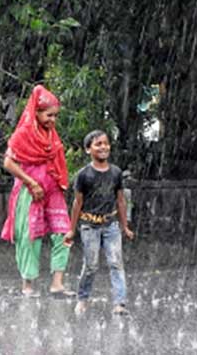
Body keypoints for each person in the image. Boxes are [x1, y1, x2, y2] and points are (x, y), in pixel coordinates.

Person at [1, 85, 74, 298]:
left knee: (64, 234)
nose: (53, 120)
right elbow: (8, 163)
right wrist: (31, 183)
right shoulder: (23, 133)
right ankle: (28, 285)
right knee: (29, 236)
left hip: (52, 191)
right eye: (49, 115)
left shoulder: (51, 134)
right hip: (29, 191)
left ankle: (57, 284)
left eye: (55, 116)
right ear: (37, 112)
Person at [64, 130, 135, 315]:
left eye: (105, 143)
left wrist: (124, 226)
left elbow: (120, 200)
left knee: (116, 263)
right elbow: (77, 203)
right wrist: (71, 230)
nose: (103, 147)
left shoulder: (116, 173)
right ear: (88, 149)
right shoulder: (83, 175)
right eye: (98, 144)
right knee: (91, 265)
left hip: (111, 225)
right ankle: (83, 298)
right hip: (89, 226)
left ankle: (120, 303)